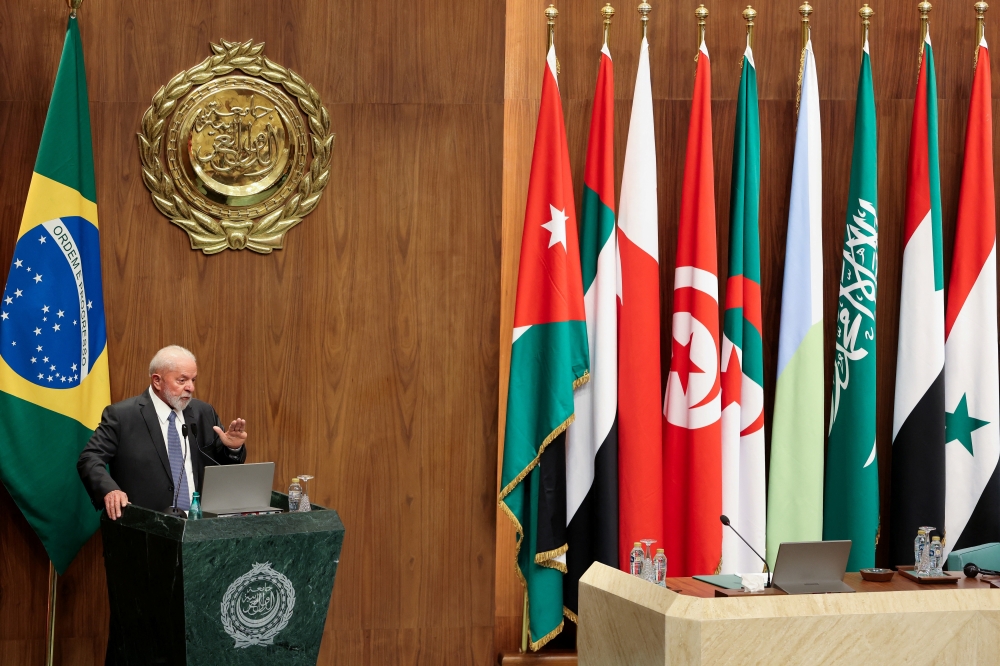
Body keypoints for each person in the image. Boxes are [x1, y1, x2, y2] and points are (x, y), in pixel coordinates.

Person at [78, 345, 247, 518]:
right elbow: (89, 458)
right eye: (182, 380)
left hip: (200, 527)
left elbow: (222, 469)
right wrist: (109, 490)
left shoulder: (203, 412)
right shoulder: (122, 416)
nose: (190, 388)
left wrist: (232, 449)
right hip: (145, 527)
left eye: (193, 380)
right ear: (157, 381)